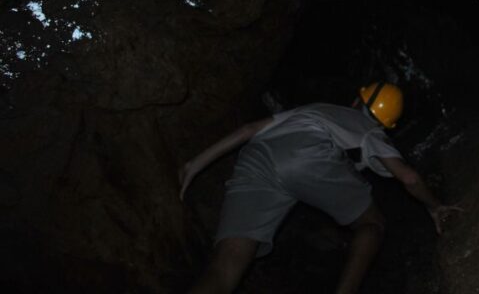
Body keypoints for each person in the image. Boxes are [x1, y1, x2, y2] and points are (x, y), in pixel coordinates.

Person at [179, 82, 461, 294]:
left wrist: (195, 163)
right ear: (387, 125)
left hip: (258, 157)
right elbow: (408, 177)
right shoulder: (371, 131)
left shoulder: (318, 109)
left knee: (228, 260)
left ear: (356, 100)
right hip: (309, 154)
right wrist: (434, 206)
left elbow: (249, 129)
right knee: (372, 223)